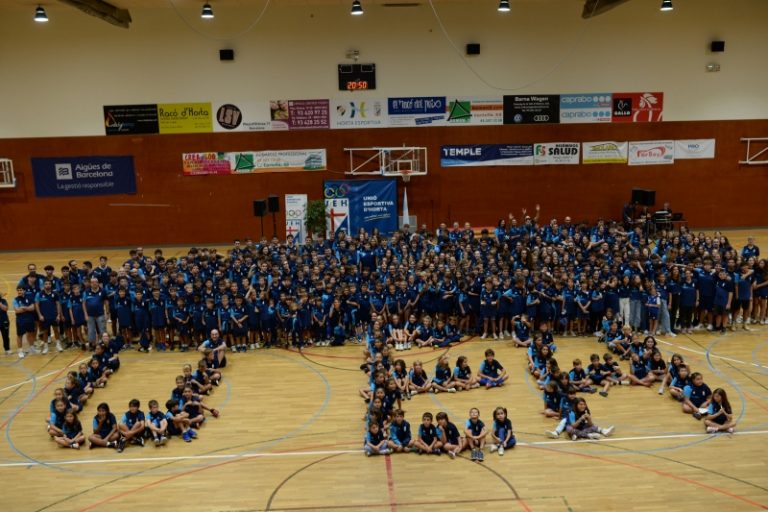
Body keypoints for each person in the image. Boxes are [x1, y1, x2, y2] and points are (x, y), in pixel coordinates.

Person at [83, 277, 109, 349]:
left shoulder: (103, 291)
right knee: (91, 330)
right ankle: (93, 344)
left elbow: (106, 302)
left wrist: (107, 312)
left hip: (100, 314)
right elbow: (84, 304)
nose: (94, 283)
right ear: (90, 284)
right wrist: (85, 314)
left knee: (102, 330)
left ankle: (104, 344)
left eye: (95, 282)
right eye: (92, 282)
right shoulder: (86, 292)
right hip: (90, 315)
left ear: (98, 283)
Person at [13, 286, 36, 358]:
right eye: (18, 290)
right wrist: (28, 308)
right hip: (20, 320)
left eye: (21, 290)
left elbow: (33, 308)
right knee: (20, 335)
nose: (19, 291)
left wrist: (23, 307)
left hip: (30, 319)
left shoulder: (29, 298)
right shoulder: (15, 300)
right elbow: (17, 310)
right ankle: (20, 351)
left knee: (31, 333)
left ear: (24, 291)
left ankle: (31, 348)